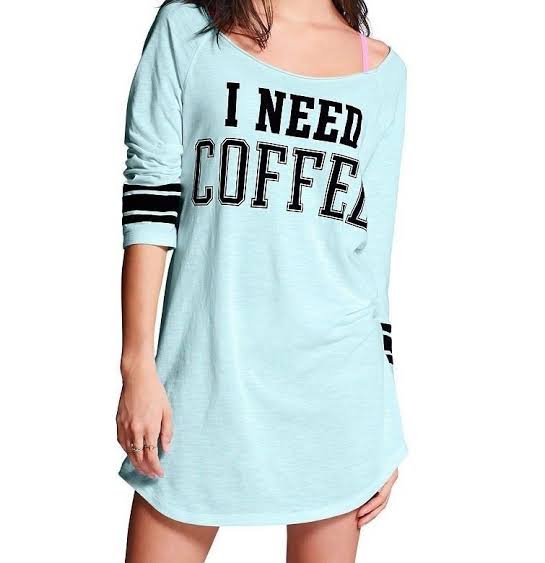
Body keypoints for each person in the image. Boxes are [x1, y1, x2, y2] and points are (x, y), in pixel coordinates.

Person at [117, 1, 407, 561]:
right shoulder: (189, 28)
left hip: (338, 394)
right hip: (204, 381)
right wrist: (137, 367)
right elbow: (150, 197)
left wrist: (384, 420)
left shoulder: (381, 71)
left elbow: (373, 257)